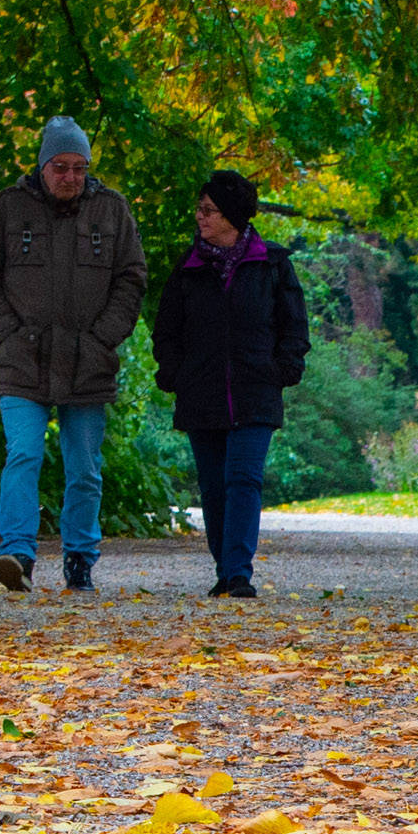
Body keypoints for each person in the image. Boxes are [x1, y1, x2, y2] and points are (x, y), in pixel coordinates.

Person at [0, 116, 147, 592]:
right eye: (61, 167)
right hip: (23, 359)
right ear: (43, 165)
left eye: (79, 168)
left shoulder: (112, 211)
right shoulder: (6, 209)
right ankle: (18, 555)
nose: (70, 176)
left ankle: (80, 560)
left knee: (84, 466)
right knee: (23, 453)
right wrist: (8, 332)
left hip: (88, 362)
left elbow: (132, 278)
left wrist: (102, 338)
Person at [152, 170, 309, 599]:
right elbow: (166, 329)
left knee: (244, 479)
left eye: (209, 210)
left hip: (256, 391)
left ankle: (239, 572)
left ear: (233, 216)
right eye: (199, 209)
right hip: (200, 392)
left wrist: (284, 368)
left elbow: (293, 325)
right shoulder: (187, 269)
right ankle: (225, 568)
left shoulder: (272, 264)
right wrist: (174, 370)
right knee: (213, 486)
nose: (200, 217)